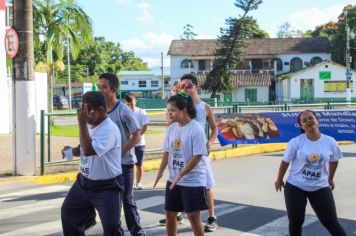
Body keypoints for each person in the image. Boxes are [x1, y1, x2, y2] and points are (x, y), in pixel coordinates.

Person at [61, 91, 124, 236]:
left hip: (107, 187)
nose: (85, 114)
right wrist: (73, 151)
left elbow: (89, 150)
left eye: (88, 111)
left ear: (101, 110)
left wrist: (82, 123)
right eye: (83, 110)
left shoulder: (109, 129)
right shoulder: (91, 123)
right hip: (83, 183)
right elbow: (83, 147)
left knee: (111, 228)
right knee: (69, 214)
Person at [274, 110, 346, 236]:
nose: (308, 121)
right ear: (301, 126)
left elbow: (334, 160)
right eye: (304, 120)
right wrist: (279, 179)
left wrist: (330, 178)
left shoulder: (330, 142)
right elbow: (285, 162)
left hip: (320, 187)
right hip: (296, 187)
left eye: (310, 118)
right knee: (296, 221)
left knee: (331, 221)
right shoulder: (296, 142)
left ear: (317, 120)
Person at [154, 93, 209, 236]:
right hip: (173, 179)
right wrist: (160, 172)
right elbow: (167, 152)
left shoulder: (196, 129)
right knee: (170, 214)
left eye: (172, 110)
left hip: (192, 181)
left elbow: (197, 157)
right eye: (168, 110)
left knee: (193, 216)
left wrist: (180, 175)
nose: (169, 113)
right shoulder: (171, 128)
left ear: (183, 109)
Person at [98, 73, 145, 236]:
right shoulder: (100, 111)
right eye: (99, 87)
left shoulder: (123, 111)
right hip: (108, 167)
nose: (100, 90)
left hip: (124, 164)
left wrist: (121, 151)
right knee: (112, 204)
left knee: (127, 200)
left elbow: (137, 135)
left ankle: (137, 232)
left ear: (114, 90)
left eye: (104, 87)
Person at [180, 73, 219, 232]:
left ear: (197, 87)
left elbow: (215, 128)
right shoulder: (181, 106)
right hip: (183, 151)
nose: (186, 88)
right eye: (183, 86)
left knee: (206, 184)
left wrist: (210, 142)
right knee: (180, 181)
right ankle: (175, 213)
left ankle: (211, 217)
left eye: (188, 85)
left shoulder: (205, 107)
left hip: (200, 152)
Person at [124, 93, 149, 190]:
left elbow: (145, 126)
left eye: (131, 104)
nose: (130, 106)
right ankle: (129, 183)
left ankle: (138, 183)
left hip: (139, 143)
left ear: (135, 101)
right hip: (128, 144)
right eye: (128, 104)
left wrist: (136, 137)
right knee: (128, 165)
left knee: (139, 164)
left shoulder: (142, 112)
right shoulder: (125, 112)